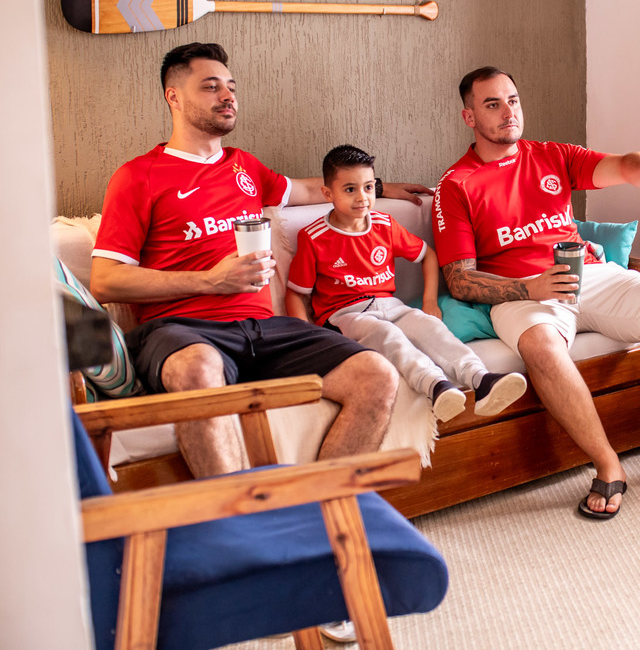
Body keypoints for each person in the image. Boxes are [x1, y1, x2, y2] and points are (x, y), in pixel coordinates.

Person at [90, 42, 433, 479]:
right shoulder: (138, 176)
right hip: (183, 331)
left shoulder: (244, 168)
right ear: (173, 96)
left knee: (376, 373)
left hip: (264, 330)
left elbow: (307, 190)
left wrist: (377, 188)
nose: (227, 96)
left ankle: (315, 510)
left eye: (231, 87)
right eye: (210, 87)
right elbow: (105, 281)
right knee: (199, 367)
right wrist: (210, 281)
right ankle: (245, 518)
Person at [433, 66, 640, 520]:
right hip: (522, 295)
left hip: (587, 273)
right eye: (492, 104)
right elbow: (459, 279)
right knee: (540, 346)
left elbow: (623, 163)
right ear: (469, 117)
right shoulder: (456, 185)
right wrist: (530, 287)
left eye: (512, 100)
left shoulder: (551, 155)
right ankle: (608, 464)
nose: (508, 112)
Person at [285, 143, 528, 422]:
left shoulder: (384, 225)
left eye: (367, 187)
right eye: (350, 189)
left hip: (391, 305)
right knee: (387, 335)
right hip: (346, 315)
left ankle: (481, 379)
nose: (362, 197)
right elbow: (296, 294)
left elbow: (428, 255)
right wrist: (309, 338)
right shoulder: (314, 237)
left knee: (428, 326)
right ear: (328, 193)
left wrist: (428, 302)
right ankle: (436, 386)